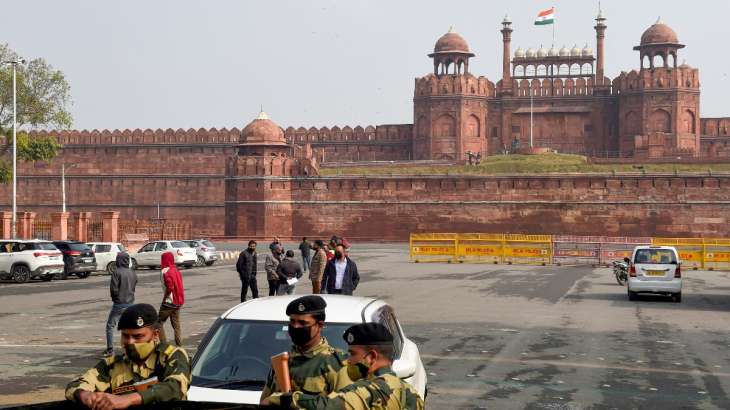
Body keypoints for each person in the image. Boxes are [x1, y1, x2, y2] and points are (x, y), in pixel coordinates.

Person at [264, 323, 424, 409]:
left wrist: (283, 398)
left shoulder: (367, 391)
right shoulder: (411, 394)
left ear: (372, 357)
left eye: (353, 354)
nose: (348, 361)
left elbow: (327, 406)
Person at [65, 303, 191, 409]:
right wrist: (86, 396)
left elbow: (175, 386)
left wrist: (128, 399)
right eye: (126, 336)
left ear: (155, 335)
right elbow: (75, 385)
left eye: (138, 336)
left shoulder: (170, 356)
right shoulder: (112, 365)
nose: (130, 342)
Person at [260, 296, 351, 404]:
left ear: (320, 325)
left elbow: (344, 405)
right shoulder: (282, 361)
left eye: (303, 323)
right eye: (292, 321)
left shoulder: (337, 363)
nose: (296, 327)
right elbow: (264, 401)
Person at [105, 252, 137, 356]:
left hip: (119, 303)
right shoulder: (132, 272)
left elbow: (113, 289)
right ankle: (129, 349)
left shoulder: (116, 272)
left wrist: (115, 299)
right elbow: (134, 285)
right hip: (130, 302)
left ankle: (110, 349)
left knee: (110, 326)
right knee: (128, 327)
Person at [158, 251, 184, 347]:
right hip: (178, 301)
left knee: (158, 323)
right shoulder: (176, 270)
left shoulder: (165, 271)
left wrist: (165, 297)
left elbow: (170, 287)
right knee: (176, 325)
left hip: (169, 302)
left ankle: (164, 346)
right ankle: (179, 346)